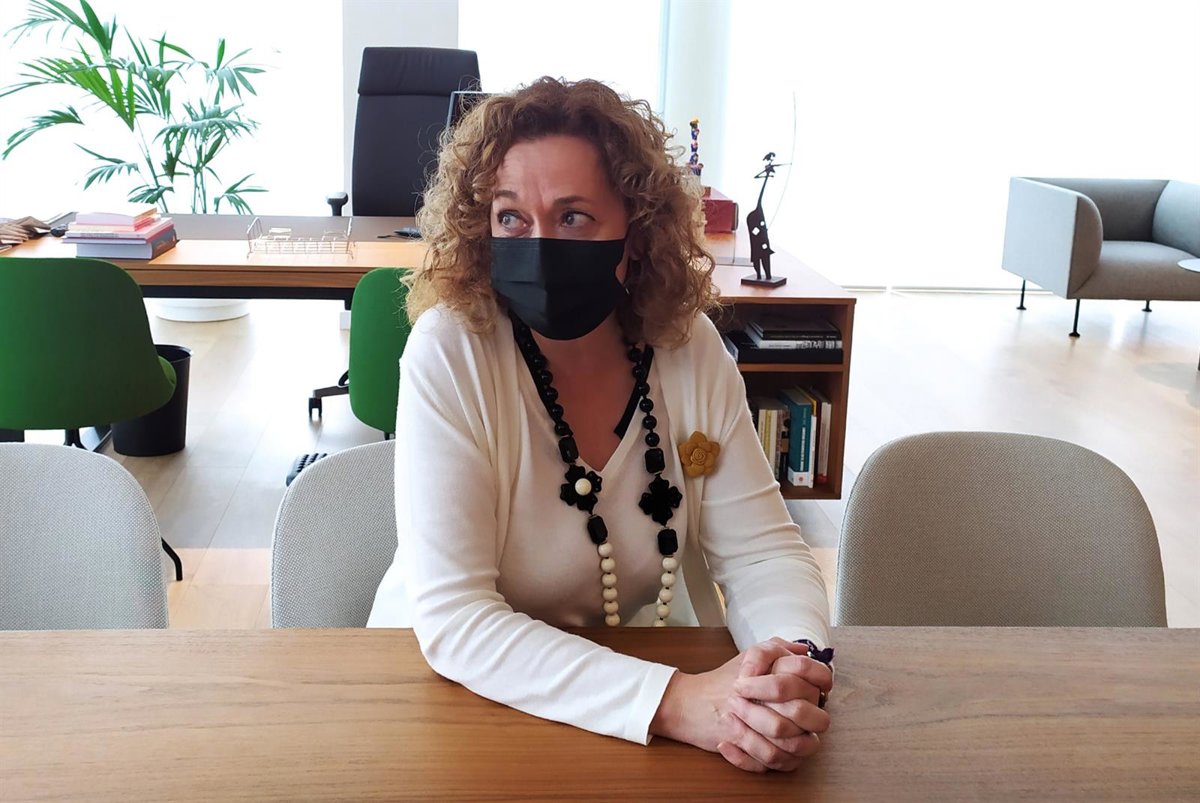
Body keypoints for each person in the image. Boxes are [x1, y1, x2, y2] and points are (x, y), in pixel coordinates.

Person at [367, 77, 833, 773]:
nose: (539, 244)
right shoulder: (450, 351)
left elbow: (762, 554)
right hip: (454, 701)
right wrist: (678, 702)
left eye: (574, 217)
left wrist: (789, 667)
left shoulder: (688, 349)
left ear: (635, 234)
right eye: (511, 217)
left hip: (629, 698)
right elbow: (457, 618)